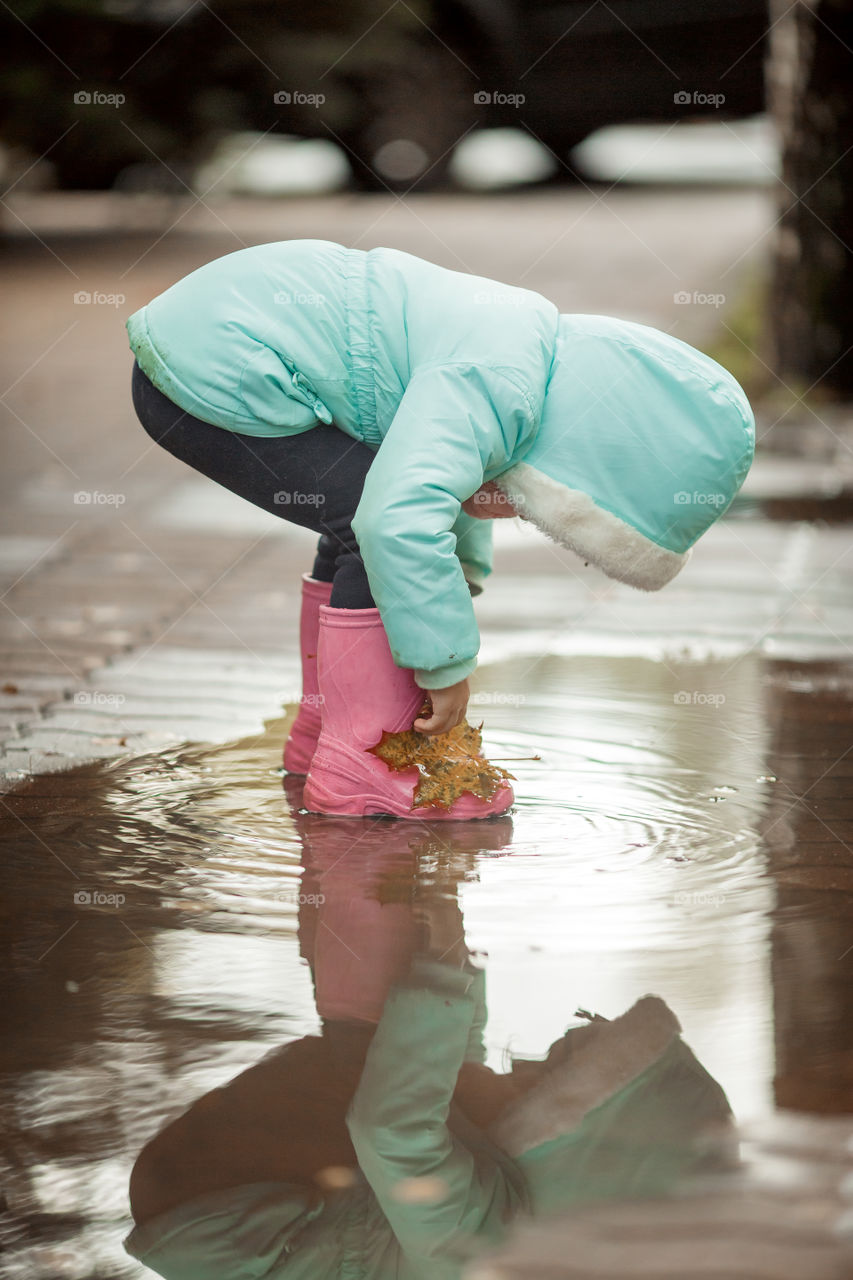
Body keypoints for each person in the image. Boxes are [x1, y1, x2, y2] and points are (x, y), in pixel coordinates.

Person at [127, 239, 754, 820]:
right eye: (548, 515)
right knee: (366, 525)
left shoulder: (526, 362)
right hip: (217, 362)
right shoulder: (498, 381)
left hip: (217, 334)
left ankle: (323, 734)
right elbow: (399, 521)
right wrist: (445, 667)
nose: (523, 515)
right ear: (578, 468)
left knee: (364, 511)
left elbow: (439, 476)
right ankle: (362, 765)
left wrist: (457, 582)